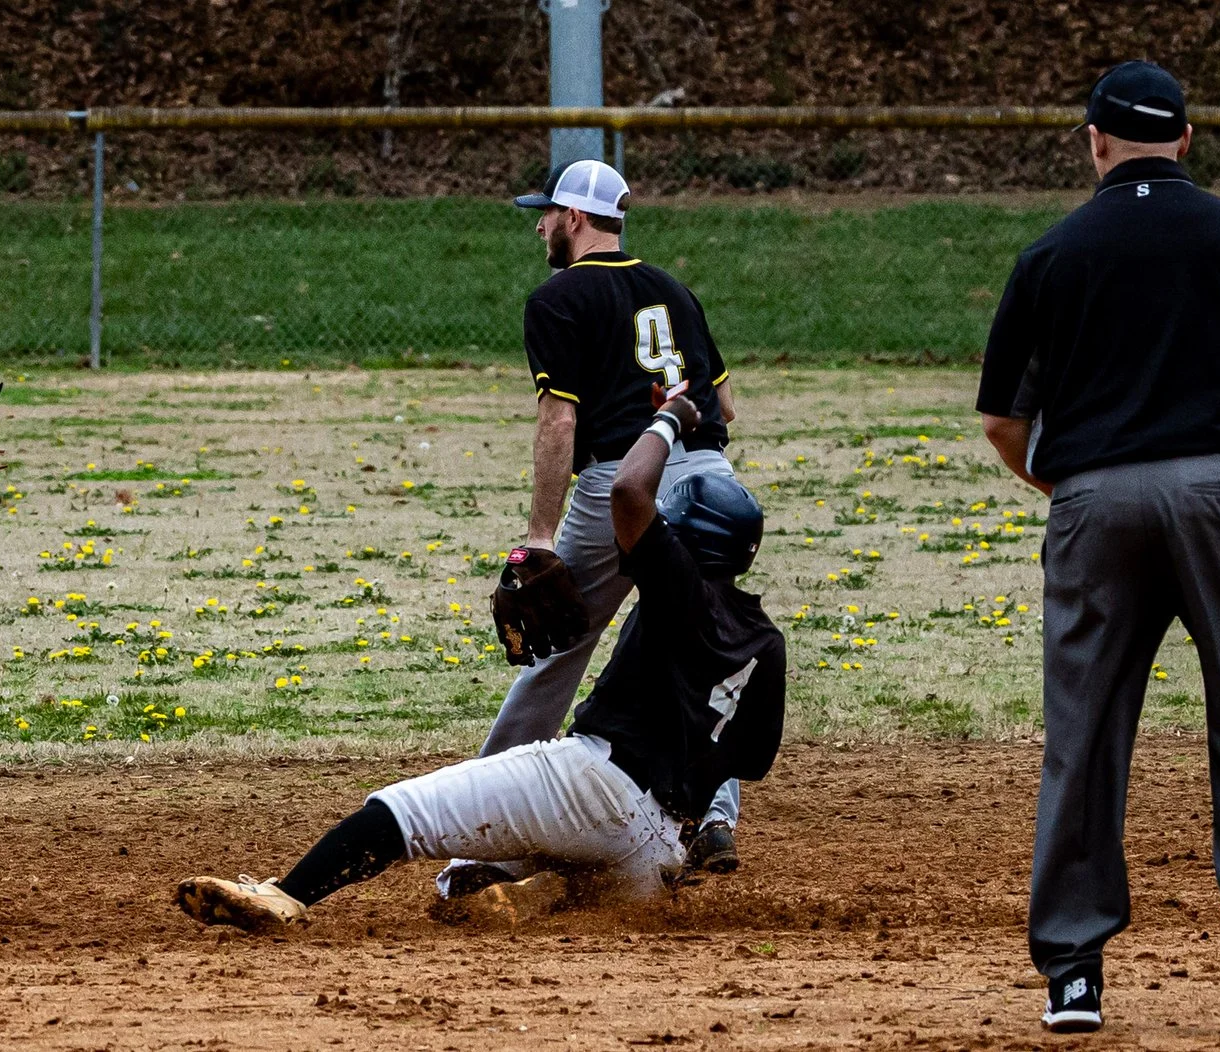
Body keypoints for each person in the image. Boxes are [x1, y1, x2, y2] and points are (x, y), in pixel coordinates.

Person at [977, 62, 1220, 1033]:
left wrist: (1071, 489)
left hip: (1095, 499)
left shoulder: (1051, 253)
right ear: (1185, 139)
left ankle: (1072, 972)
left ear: (1093, 142)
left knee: (1085, 732)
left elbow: (999, 419)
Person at [174, 386, 784, 932]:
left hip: (593, 783)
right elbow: (750, 759)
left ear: (687, 539)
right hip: (657, 848)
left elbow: (627, 490)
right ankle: (548, 891)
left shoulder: (680, 584)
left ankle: (286, 896)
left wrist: (671, 418)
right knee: (566, 883)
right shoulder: (764, 641)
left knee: (406, 811)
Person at [475, 158, 748, 881]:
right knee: (702, 644)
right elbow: (724, 409)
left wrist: (538, 538)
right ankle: (715, 817)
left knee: (557, 648)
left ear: (574, 219)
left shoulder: (557, 298)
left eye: (547, 212)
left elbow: (559, 422)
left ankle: (483, 817)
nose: (539, 225)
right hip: (708, 482)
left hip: (618, 483)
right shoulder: (673, 290)